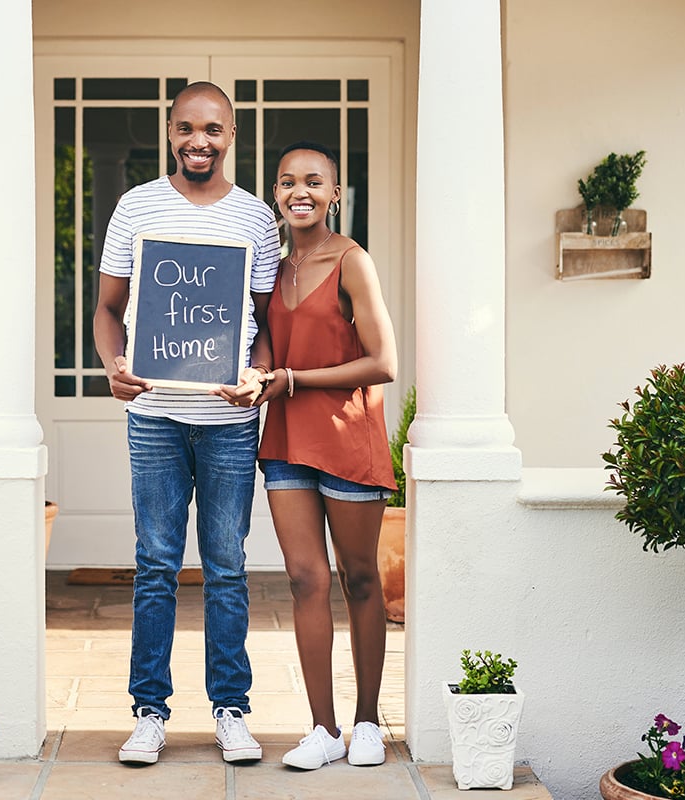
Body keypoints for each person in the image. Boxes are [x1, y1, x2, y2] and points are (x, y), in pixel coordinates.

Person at [93, 81, 280, 766]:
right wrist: (113, 365)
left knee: (228, 568)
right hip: (155, 419)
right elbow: (107, 310)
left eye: (213, 129)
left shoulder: (256, 219)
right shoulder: (136, 206)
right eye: (186, 128)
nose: (198, 141)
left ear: (232, 136)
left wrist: (257, 376)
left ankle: (231, 710)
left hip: (230, 424)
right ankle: (149, 713)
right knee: (155, 566)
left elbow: (265, 324)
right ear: (169, 131)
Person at [254, 140, 398, 770]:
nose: (299, 193)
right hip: (285, 441)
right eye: (287, 183)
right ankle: (323, 727)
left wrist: (295, 380)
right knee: (305, 580)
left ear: (336, 194)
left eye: (314, 182)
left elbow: (383, 363)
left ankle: (368, 722)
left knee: (359, 578)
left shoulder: (352, 261)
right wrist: (256, 375)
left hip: (345, 437)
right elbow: (264, 345)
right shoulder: (276, 270)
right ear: (276, 195)